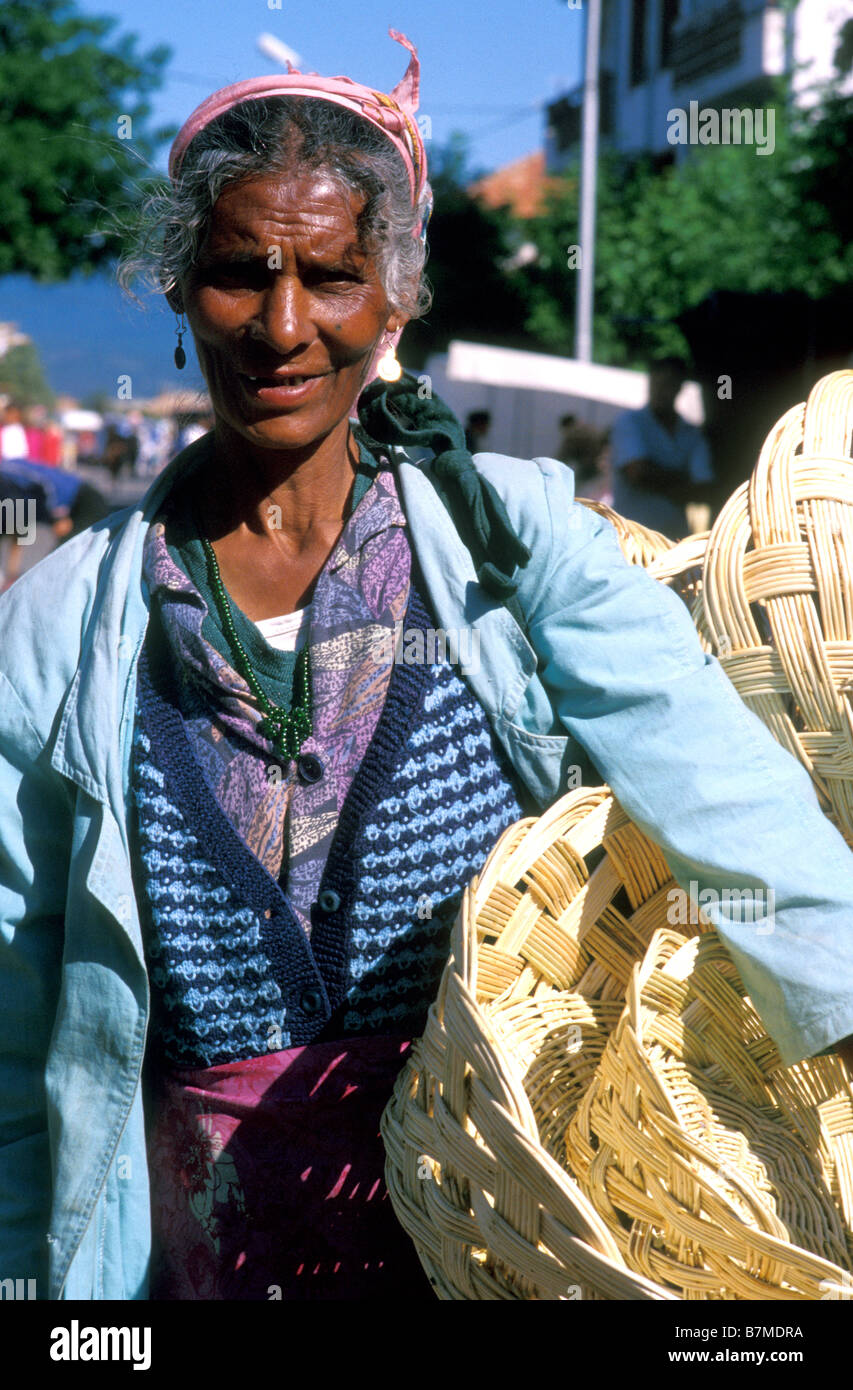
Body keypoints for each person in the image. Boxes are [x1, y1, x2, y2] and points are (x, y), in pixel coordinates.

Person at [2, 31, 853, 1305]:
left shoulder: (506, 541)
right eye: (242, 274)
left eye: (332, 277)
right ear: (180, 292)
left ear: (394, 299)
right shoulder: (68, 621)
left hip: (478, 1240)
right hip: (175, 1265)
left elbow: (725, 794)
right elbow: (18, 1030)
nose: (283, 326)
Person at [611, 356, 714, 539]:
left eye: (667, 384)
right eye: (655, 383)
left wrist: (654, 477)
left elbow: (705, 489)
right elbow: (638, 473)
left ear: (679, 387)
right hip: (629, 540)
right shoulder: (629, 422)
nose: (659, 391)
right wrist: (683, 479)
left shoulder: (692, 433)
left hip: (673, 542)